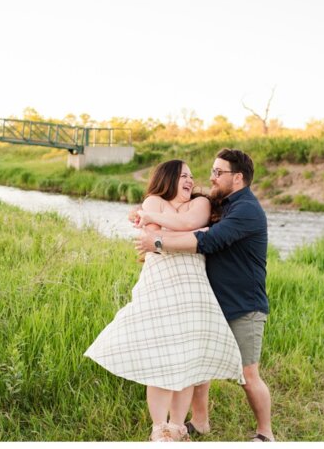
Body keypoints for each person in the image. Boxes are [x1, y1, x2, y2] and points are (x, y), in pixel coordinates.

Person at [84, 159, 244, 442]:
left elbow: (184, 225)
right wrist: (195, 235)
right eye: (184, 176)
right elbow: (155, 235)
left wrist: (169, 229)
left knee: (185, 361)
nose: (191, 181)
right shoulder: (153, 200)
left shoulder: (201, 203)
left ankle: (178, 426)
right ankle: (159, 428)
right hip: (158, 287)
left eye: (192, 176)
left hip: (192, 291)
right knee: (159, 355)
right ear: (168, 178)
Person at [136, 148, 274, 442]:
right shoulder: (220, 203)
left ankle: (265, 434)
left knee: (248, 375)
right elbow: (182, 207)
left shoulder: (246, 209)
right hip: (211, 301)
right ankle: (199, 422)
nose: (210, 177)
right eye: (210, 171)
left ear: (237, 178)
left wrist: (157, 242)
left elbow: (209, 239)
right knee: (198, 367)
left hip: (242, 304)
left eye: (218, 172)